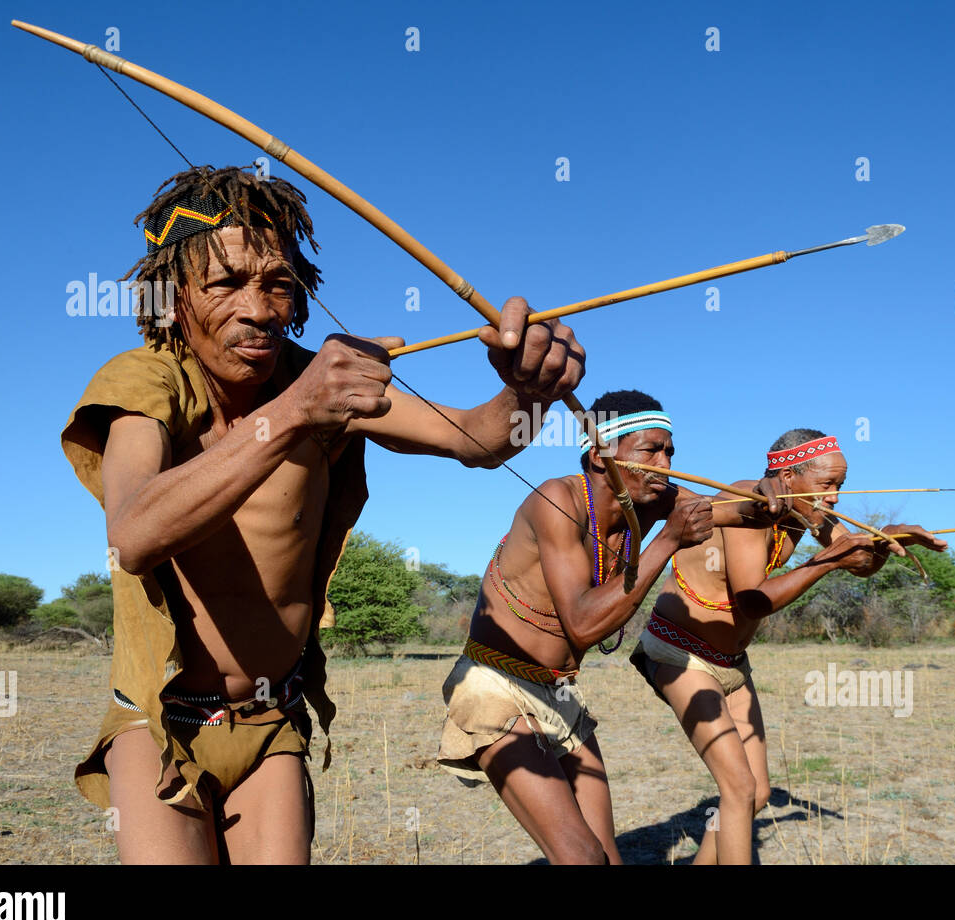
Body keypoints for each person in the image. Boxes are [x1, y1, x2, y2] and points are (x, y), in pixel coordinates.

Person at [61, 165, 588, 864]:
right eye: (225, 283)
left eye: (277, 282)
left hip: (270, 717)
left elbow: (481, 438)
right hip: (163, 722)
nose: (257, 308)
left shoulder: (318, 383)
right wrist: (296, 410)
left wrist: (529, 391)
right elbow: (133, 533)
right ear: (175, 296)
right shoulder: (151, 380)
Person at [437, 391, 785, 864]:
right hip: (492, 685)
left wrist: (766, 503)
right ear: (603, 455)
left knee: (606, 858)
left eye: (670, 452)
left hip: (558, 692)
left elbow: (728, 510)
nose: (664, 463)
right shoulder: (555, 500)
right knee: (581, 857)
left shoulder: (652, 498)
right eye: (649, 450)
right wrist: (667, 540)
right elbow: (582, 626)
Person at [631, 429, 947, 864]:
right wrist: (827, 561)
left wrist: (886, 541)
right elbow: (753, 600)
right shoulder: (744, 504)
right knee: (738, 789)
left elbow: (857, 563)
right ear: (789, 475)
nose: (835, 498)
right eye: (827, 484)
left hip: (731, 663)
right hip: (680, 654)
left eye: (840, 486)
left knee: (757, 792)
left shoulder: (805, 512)